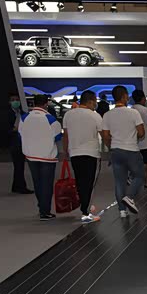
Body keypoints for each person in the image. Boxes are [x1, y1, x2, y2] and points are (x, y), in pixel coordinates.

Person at [102, 85, 145, 218]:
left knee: (119, 181)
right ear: (125, 96)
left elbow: (105, 136)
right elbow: (141, 132)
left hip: (116, 150)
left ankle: (122, 211)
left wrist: (111, 146)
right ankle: (129, 196)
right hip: (131, 150)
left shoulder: (107, 115)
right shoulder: (133, 113)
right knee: (139, 176)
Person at [19, 94, 62, 220]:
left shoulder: (24, 117)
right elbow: (58, 136)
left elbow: (20, 134)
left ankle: (41, 207)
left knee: (37, 182)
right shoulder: (50, 119)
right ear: (46, 104)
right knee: (46, 184)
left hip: (30, 155)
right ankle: (45, 211)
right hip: (47, 156)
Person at [61, 90, 102, 223]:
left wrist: (65, 151)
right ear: (90, 101)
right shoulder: (95, 116)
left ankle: (84, 206)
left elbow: (66, 135)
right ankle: (85, 211)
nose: (95, 104)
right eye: (94, 101)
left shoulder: (68, 115)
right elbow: (103, 133)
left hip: (74, 153)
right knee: (89, 183)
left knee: (80, 181)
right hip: (91, 153)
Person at [7, 93, 32, 194]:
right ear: (9, 102)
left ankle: (16, 186)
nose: (15, 102)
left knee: (19, 165)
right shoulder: (7, 114)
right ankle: (21, 186)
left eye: (17, 100)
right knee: (18, 165)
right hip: (14, 142)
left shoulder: (23, 113)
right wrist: (13, 130)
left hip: (23, 141)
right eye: (13, 100)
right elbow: (4, 128)